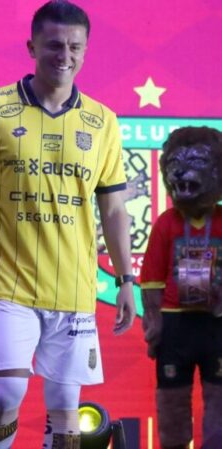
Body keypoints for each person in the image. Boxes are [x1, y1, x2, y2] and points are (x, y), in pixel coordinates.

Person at [0, 1, 136, 448]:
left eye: (74, 47)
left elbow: (114, 210)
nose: (64, 55)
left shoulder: (102, 121)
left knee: (66, 411)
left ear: (85, 51)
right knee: (5, 394)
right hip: (8, 284)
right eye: (54, 45)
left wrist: (126, 280)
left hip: (74, 288)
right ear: (32, 47)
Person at [141, 126, 222, 449]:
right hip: (175, 325)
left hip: (217, 323)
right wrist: (154, 325)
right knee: (172, 400)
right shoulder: (166, 222)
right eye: (175, 164)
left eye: (197, 162)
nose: (182, 173)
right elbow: (151, 280)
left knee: (220, 400)